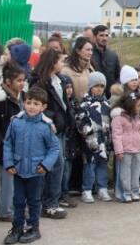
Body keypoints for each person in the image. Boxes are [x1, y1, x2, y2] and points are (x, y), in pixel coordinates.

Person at [3, 87, 60, 245]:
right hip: (19, 169)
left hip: (36, 171)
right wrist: (8, 163)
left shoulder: (46, 126)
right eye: (29, 102)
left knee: (34, 201)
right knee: (18, 201)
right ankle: (17, 228)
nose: (32, 106)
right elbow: (8, 143)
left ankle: (34, 228)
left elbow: (54, 148)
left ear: (43, 107)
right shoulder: (16, 122)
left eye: (36, 103)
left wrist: (46, 165)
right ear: (23, 103)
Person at [30, 49, 73, 217]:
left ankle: (52, 200)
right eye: (61, 60)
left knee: (58, 164)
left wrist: (68, 119)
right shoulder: (40, 82)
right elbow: (39, 105)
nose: (63, 63)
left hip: (60, 129)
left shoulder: (59, 80)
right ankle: (49, 204)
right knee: (55, 164)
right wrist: (51, 120)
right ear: (52, 62)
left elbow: (64, 104)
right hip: (49, 129)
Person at [0, 62, 25, 223]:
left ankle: (15, 208)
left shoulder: (22, 98)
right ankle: (4, 210)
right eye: (19, 80)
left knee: (18, 179)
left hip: (20, 146)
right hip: (5, 147)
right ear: (8, 81)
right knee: (6, 181)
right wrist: (1, 143)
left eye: (23, 80)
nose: (22, 83)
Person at [61, 39, 95, 195]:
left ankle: (85, 183)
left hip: (87, 113)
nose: (90, 52)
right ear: (78, 50)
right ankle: (72, 184)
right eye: (87, 49)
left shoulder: (90, 68)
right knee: (73, 149)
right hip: (73, 112)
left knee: (86, 148)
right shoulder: (67, 70)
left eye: (91, 50)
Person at [74, 72, 111, 202]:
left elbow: (109, 122)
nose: (99, 89)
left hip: (103, 141)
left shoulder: (107, 104)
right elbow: (81, 122)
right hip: (90, 141)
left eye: (102, 86)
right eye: (96, 86)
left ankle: (102, 188)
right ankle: (87, 189)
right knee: (89, 165)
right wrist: (89, 138)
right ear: (90, 87)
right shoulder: (84, 105)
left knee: (102, 164)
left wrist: (108, 138)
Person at [111, 89, 140, 202]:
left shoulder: (139, 116)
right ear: (130, 106)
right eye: (138, 105)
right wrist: (119, 151)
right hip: (125, 150)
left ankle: (134, 191)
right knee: (124, 173)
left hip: (136, 149)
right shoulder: (119, 118)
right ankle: (124, 193)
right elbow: (116, 135)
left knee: (136, 171)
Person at [90, 25, 122, 99]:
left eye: (106, 35)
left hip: (111, 97)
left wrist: (116, 87)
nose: (104, 38)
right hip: (94, 98)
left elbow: (118, 75)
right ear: (94, 37)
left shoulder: (113, 55)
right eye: (101, 35)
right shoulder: (89, 55)